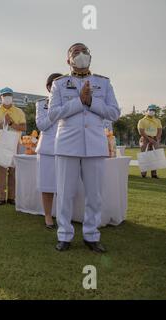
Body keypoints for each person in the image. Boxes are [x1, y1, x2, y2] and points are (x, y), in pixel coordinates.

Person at [48, 43, 121, 252]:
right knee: (65, 194)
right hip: (67, 145)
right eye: (75, 52)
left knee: (94, 195)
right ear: (68, 59)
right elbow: (53, 114)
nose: (81, 55)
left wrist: (91, 103)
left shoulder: (103, 83)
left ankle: (91, 235)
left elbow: (114, 112)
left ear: (91, 56)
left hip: (95, 145)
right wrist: (80, 102)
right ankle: (64, 235)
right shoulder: (59, 84)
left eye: (84, 51)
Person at [35, 73, 63, 229]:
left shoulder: (70, 103)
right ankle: (47, 215)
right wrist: (56, 112)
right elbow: (41, 125)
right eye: (53, 84)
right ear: (48, 87)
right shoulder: (41, 104)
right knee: (47, 185)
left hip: (66, 147)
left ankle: (62, 215)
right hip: (46, 149)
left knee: (64, 186)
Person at [0, 87, 26, 206]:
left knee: (13, 171)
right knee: (2, 171)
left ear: (12, 97)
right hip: (1, 143)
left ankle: (11, 197)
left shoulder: (19, 111)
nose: (7, 97)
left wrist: (12, 123)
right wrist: (3, 122)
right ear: (0, 97)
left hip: (15, 143)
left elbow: (23, 128)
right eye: (4, 95)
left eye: (9, 95)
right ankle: (1, 197)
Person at [137, 104, 162, 179]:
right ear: (147, 110)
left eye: (154, 110)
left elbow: (159, 130)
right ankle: (143, 173)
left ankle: (154, 174)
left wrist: (156, 139)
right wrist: (149, 139)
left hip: (154, 139)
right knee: (144, 155)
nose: (152, 111)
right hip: (145, 138)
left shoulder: (157, 120)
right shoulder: (142, 121)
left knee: (155, 156)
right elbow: (141, 131)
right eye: (151, 110)